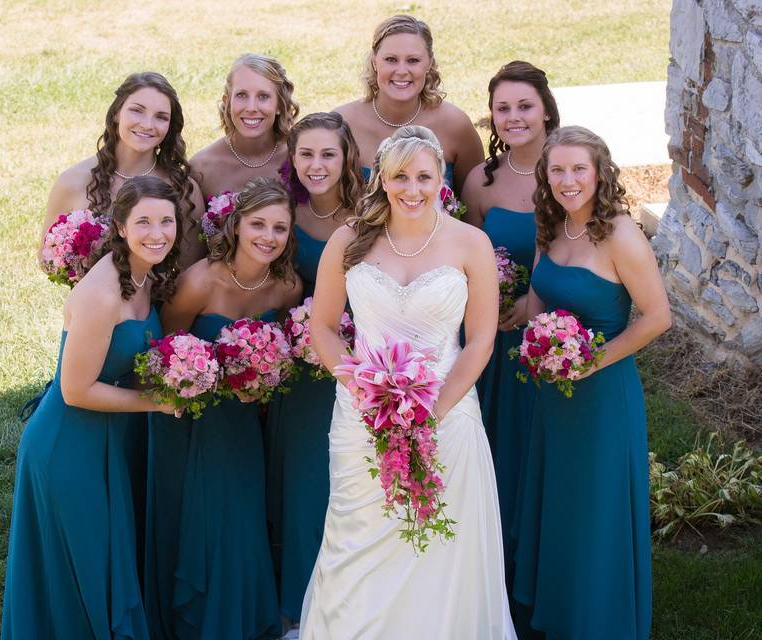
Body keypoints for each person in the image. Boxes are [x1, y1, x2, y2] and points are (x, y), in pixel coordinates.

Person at [300, 125, 514, 639]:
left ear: (442, 177)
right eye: (400, 177)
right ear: (381, 179)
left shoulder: (470, 244)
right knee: (357, 538)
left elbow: (481, 341)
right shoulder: (350, 240)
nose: (412, 189)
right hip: (362, 413)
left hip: (446, 409)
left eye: (424, 176)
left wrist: (428, 413)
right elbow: (323, 329)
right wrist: (360, 387)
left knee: (441, 543)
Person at [2, 176, 182, 639]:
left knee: (109, 556)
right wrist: (157, 403)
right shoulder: (101, 294)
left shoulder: (146, 274)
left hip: (112, 434)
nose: (157, 232)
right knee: (86, 564)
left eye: (166, 220)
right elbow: (75, 390)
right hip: (70, 443)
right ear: (120, 226)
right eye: (143, 221)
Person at [513, 126, 671, 640]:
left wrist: (587, 363)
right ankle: (557, 610)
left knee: (595, 508)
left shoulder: (621, 235)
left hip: (602, 393)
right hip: (552, 393)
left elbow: (656, 318)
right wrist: (529, 334)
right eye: (556, 170)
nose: (567, 180)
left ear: (600, 172)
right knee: (558, 497)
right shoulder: (551, 225)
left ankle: (597, 620)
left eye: (578, 168)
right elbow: (538, 298)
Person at [144, 178, 302, 640]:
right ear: (235, 225)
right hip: (185, 421)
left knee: (239, 519)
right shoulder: (200, 282)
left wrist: (264, 380)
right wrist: (195, 380)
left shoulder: (286, 287)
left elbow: (284, 362)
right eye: (258, 224)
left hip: (241, 424)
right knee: (191, 518)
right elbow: (163, 354)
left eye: (279, 228)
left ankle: (238, 621)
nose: (267, 237)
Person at [460, 60, 559, 634]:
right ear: (491, 116)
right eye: (503, 108)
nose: (514, 117)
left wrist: (534, 308)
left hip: (547, 340)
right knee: (494, 459)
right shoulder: (483, 181)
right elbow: (465, 255)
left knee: (535, 459)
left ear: (545, 108)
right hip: (489, 341)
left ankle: (541, 579)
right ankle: (494, 583)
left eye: (525, 105)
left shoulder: (571, 169)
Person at [263, 112, 364, 630]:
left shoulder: (373, 209)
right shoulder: (286, 214)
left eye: (328, 154)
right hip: (303, 372)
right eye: (305, 154)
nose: (316, 165)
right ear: (292, 159)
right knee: (306, 484)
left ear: (347, 156)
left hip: (365, 368)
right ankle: (302, 602)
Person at [39, 71, 205, 268]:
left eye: (161, 117)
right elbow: (47, 259)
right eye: (137, 110)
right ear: (117, 112)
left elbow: (191, 267)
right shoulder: (72, 182)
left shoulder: (183, 189)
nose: (147, 124)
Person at [333, 15, 483, 193]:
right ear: (375, 61)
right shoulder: (342, 124)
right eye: (391, 59)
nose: (402, 71)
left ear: (429, 63)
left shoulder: (456, 125)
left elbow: (474, 203)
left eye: (413, 60)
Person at [190, 54, 300, 200]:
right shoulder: (202, 168)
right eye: (241, 95)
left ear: (280, 104)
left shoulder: (299, 158)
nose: (251, 107)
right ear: (227, 102)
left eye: (263, 96)